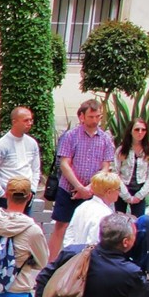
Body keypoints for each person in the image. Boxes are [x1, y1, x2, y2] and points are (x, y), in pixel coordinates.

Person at [49, 98, 117, 261]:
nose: (95, 121)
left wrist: (89, 189)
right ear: (82, 117)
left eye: (98, 117)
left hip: (92, 191)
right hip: (69, 188)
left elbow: (105, 166)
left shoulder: (106, 138)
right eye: (91, 117)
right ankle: (52, 264)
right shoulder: (71, 136)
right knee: (61, 226)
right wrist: (79, 187)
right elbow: (64, 164)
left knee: (91, 225)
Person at [0, 106, 42, 207]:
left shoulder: (32, 143)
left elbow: (35, 170)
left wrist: (33, 190)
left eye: (31, 120)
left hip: (27, 196)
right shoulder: (1, 145)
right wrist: (0, 193)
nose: (30, 123)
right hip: (6, 198)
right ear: (14, 122)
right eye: (26, 120)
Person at [60, 170, 121, 250]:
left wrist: (71, 252)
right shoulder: (104, 214)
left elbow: (69, 234)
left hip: (74, 254)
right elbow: (94, 241)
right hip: (89, 258)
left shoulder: (82, 206)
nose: (119, 192)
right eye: (118, 189)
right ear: (109, 192)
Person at [115, 117, 149, 217]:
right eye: (137, 129)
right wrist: (125, 195)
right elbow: (116, 173)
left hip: (140, 190)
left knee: (139, 222)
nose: (140, 132)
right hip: (122, 189)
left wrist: (140, 195)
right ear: (130, 131)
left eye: (143, 130)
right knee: (118, 221)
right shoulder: (122, 149)